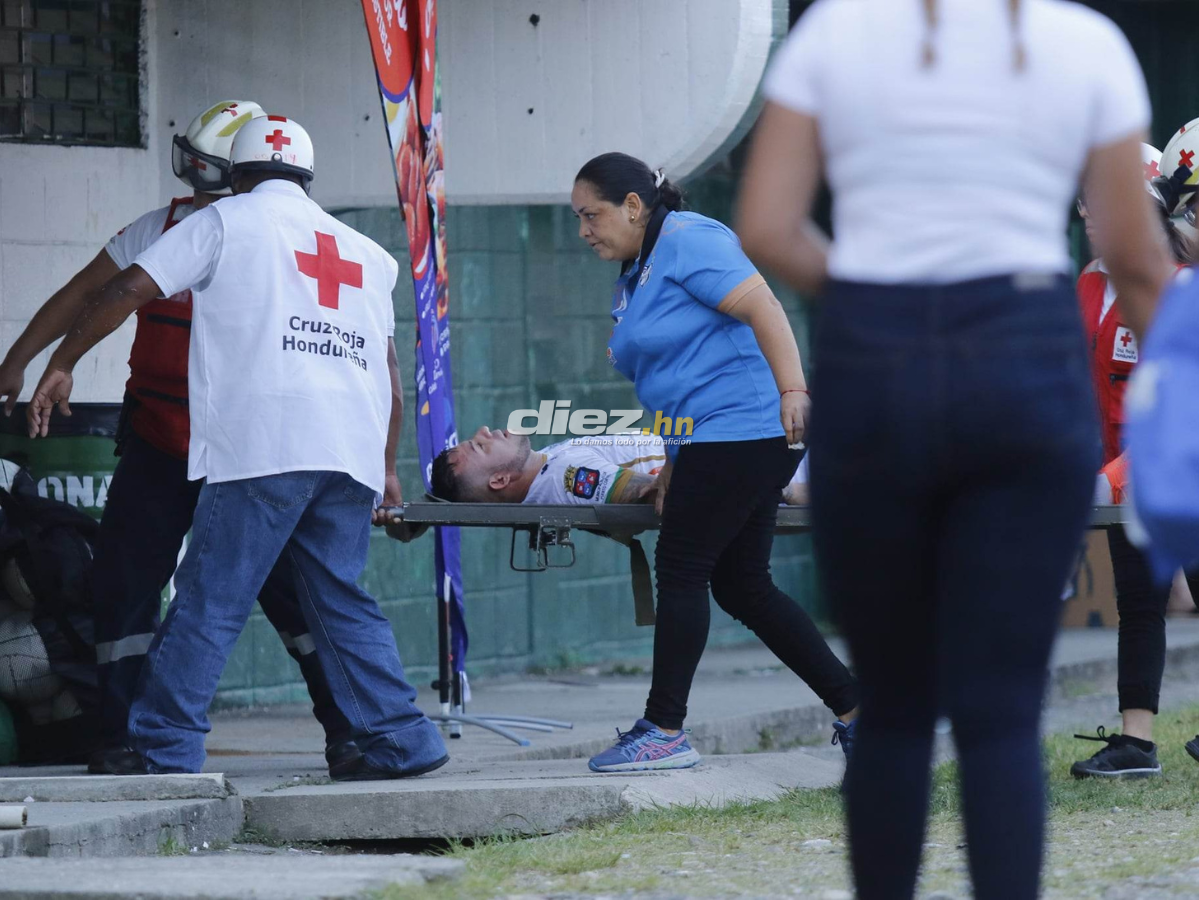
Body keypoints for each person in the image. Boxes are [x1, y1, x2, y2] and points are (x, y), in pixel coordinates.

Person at [736, 1, 1170, 898]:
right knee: (1003, 710)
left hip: (876, 362)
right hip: (1023, 359)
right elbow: (1133, 256)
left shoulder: (835, 34)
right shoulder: (1084, 44)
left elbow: (769, 227)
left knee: (895, 705)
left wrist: (873, 300)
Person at [25, 115, 447, 780]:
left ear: (236, 174)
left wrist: (64, 359)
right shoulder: (367, 253)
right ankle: (401, 737)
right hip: (349, 451)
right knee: (337, 596)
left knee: (209, 597)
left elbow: (131, 287)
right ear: (306, 176)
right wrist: (386, 469)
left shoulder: (223, 222)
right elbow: (390, 376)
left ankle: (163, 745)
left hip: (267, 445)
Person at [569, 151, 858, 774]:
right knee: (741, 584)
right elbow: (674, 379)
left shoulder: (688, 239)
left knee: (682, 567)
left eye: (592, 215)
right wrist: (673, 458)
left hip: (744, 429)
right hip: (709, 438)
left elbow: (764, 308)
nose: (585, 230)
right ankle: (862, 712)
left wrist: (794, 392)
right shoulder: (637, 269)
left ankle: (665, 729)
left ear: (633, 206)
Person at [1070, 143, 1193, 779]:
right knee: (1139, 603)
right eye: (1086, 196)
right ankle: (1135, 744)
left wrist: (1111, 478)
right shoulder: (1091, 281)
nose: (1091, 208)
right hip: (1120, 472)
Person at [431, 426, 813, 506]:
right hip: (781, 468)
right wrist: (781, 489)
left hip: (760, 448)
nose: (484, 430)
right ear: (499, 479)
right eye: (479, 446)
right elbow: (650, 493)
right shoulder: (567, 479)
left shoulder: (546, 466)